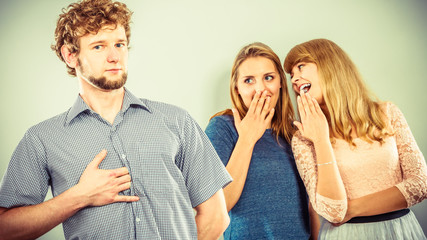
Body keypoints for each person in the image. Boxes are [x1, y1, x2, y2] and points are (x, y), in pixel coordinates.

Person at [0, 0, 232, 239]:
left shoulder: (177, 122)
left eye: (119, 44)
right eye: (98, 46)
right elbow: (5, 229)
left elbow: (216, 217)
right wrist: (80, 196)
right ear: (70, 56)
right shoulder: (42, 139)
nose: (114, 56)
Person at [283, 38, 427, 239]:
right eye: (291, 75)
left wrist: (351, 209)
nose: (294, 80)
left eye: (300, 67)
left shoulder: (387, 113)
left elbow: (420, 185)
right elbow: (332, 211)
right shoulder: (303, 139)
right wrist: (322, 140)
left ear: (330, 65)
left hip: (400, 231)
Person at [205, 42, 319, 239]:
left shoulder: (295, 132)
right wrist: (247, 139)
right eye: (249, 80)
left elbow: (313, 205)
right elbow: (217, 207)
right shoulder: (222, 128)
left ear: (281, 82)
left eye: (268, 78)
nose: (261, 89)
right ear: (237, 88)